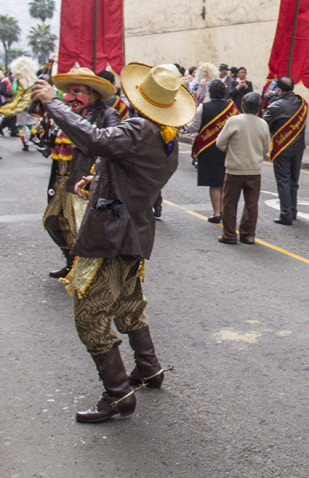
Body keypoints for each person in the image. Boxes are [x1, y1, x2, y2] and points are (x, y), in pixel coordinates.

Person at [30, 62, 196, 423]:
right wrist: (96, 179)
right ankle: (149, 368)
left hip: (113, 234)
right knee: (128, 303)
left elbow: (96, 141)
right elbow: (129, 171)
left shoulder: (140, 128)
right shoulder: (166, 136)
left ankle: (119, 394)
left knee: (89, 316)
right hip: (133, 228)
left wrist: (53, 103)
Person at [42, 68, 119, 279]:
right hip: (62, 180)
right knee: (52, 221)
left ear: (93, 94)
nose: (70, 97)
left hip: (85, 180)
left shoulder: (107, 114)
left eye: (78, 91)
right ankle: (71, 261)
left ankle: (88, 273)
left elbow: (109, 146)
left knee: (80, 229)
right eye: (69, 92)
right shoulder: (65, 114)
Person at [216, 91, 270, 242]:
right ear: (259, 107)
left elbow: (220, 143)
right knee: (251, 204)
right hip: (254, 169)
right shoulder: (263, 124)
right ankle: (248, 235)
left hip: (234, 169)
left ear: (243, 105)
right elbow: (266, 148)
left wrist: (232, 149)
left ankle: (229, 234)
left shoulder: (234, 121)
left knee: (229, 203)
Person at [185, 79, 238, 224]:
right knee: (224, 181)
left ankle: (216, 212)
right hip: (228, 148)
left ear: (210, 92)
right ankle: (224, 212)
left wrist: (183, 125)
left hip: (208, 148)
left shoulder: (203, 107)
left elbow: (194, 127)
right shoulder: (231, 108)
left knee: (214, 182)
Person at [265, 77, 308, 225]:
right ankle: (293, 211)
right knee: (293, 181)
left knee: (283, 181)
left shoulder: (276, 106)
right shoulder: (301, 103)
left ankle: (285, 214)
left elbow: (265, 125)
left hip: (282, 148)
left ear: (279, 90)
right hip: (298, 147)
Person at [0, 56, 38, 151]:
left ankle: (25, 143)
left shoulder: (18, 81)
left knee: (21, 125)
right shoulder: (34, 80)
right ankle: (37, 139)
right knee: (30, 124)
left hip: (22, 106)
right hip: (32, 104)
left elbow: (15, 93)